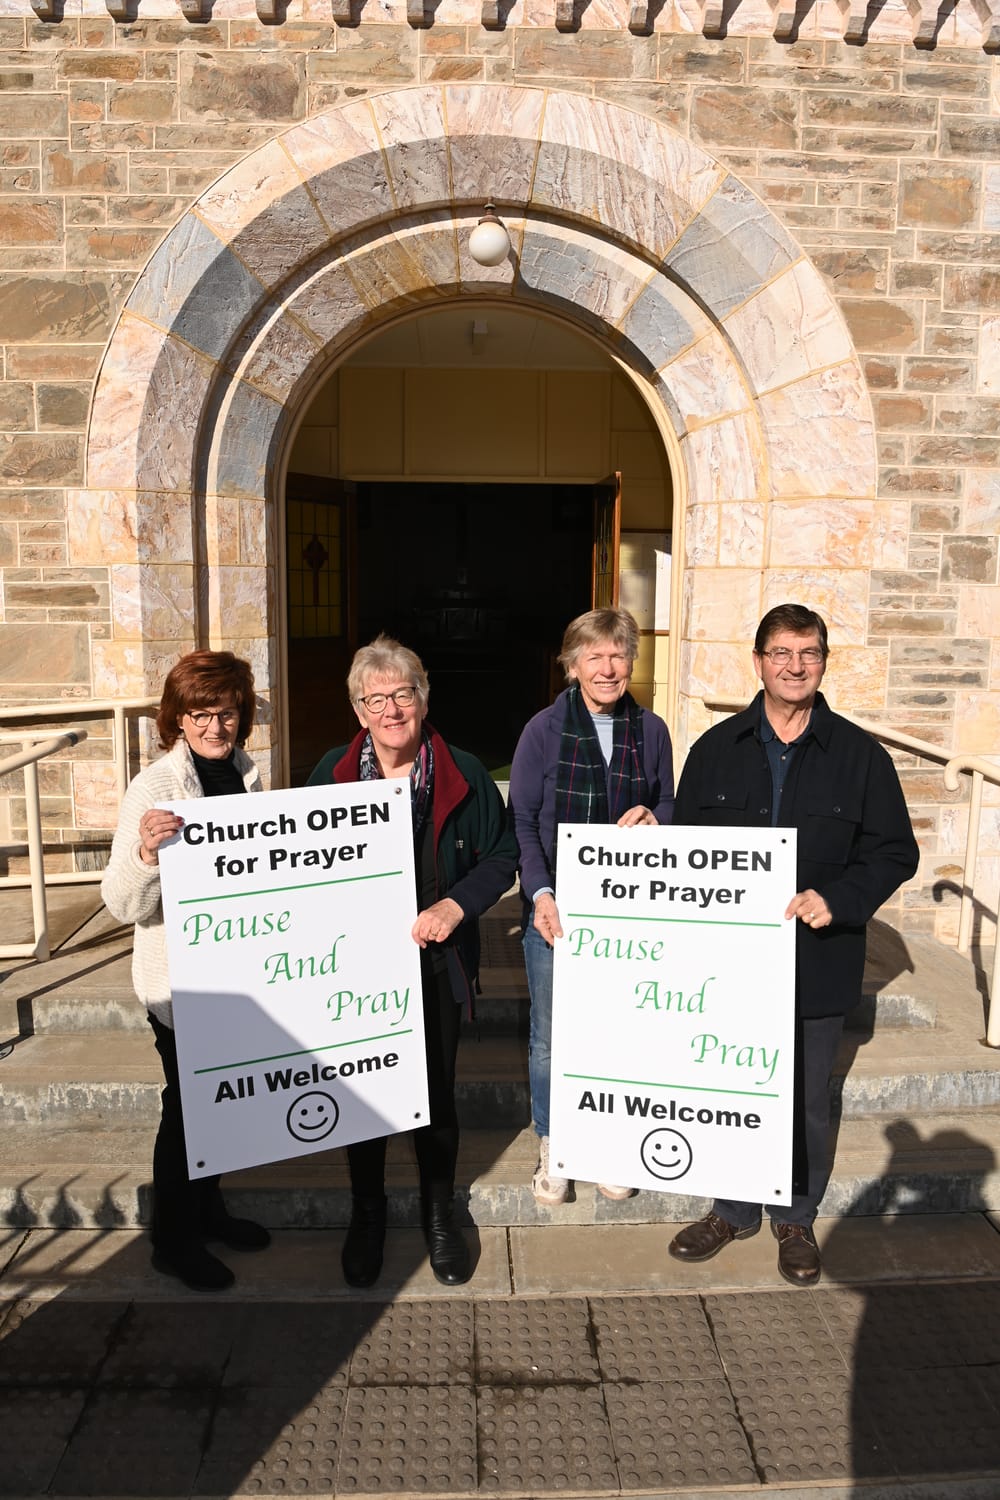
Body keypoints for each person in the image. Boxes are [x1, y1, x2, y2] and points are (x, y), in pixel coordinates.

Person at [668, 603, 919, 1286]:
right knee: (730, 1083)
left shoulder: (860, 757)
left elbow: (896, 852)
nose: (794, 666)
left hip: (817, 959)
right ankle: (730, 1207)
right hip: (732, 966)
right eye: (780, 653)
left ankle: (794, 1216)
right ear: (758, 663)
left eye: (807, 653)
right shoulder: (715, 749)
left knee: (807, 1098)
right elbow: (682, 851)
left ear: (822, 663)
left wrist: (839, 899)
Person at [308, 635, 517, 1288]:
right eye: (377, 699)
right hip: (360, 972)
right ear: (359, 710)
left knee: (433, 1097)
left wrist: (457, 907)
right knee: (363, 1093)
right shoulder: (330, 775)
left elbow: (501, 854)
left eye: (403, 693)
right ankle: (367, 1214)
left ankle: (437, 1214)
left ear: (423, 700)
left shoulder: (462, 772)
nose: (391, 709)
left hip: (435, 965)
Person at [101, 650, 271, 1292]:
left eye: (225, 712)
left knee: (221, 1104)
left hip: (236, 978)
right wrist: (147, 852)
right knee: (188, 1108)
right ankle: (172, 1241)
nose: (214, 728)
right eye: (199, 714)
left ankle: (209, 1212)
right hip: (180, 985)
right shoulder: (153, 789)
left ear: (241, 715)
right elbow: (121, 904)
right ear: (177, 719)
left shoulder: (249, 775)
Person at [509, 607, 675, 1206]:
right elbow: (524, 820)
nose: (608, 668)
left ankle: (609, 1140)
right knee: (552, 1036)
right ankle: (556, 1142)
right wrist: (541, 894)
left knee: (622, 1028)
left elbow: (669, 803)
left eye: (618, 655)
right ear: (572, 664)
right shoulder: (543, 731)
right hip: (558, 906)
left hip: (630, 911)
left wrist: (658, 818)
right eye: (594, 656)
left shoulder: (651, 730)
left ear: (632, 661)